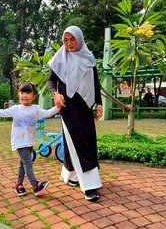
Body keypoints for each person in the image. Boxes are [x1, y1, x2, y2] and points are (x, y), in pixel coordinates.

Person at [48, 25, 103, 202]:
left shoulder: (88, 57)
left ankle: (70, 176)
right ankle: (89, 185)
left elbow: (95, 82)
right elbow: (51, 80)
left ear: (80, 39)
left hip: (86, 105)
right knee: (78, 141)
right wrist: (54, 94)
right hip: (68, 105)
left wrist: (100, 102)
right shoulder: (60, 57)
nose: (69, 43)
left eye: (73, 39)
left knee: (85, 140)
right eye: (66, 40)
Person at [0, 82, 60, 196]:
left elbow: (47, 113)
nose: (24, 95)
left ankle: (19, 185)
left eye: (28, 92)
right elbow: (0, 112)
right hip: (19, 141)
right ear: (19, 94)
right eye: (22, 92)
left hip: (29, 141)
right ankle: (35, 185)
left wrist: (58, 106)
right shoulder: (16, 109)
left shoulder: (36, 109)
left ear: (34, 96)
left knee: (23, 163)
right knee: (28, 162)